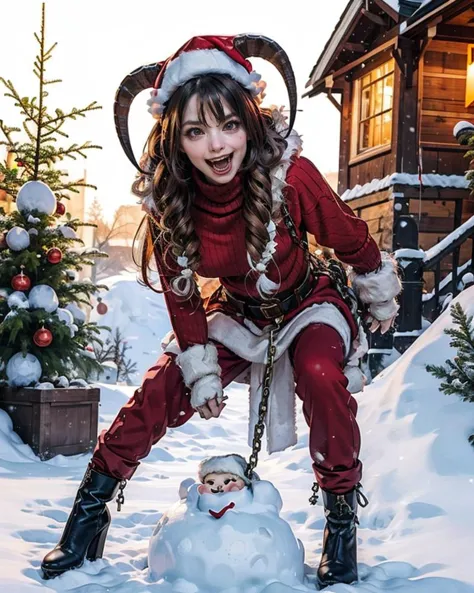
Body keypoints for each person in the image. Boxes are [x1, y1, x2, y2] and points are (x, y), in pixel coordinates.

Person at [41, 34, 401, 587]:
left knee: (321, 375)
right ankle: (89, 513)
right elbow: (182, 298)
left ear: (250, 122)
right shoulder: (169, 203)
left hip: (307, 303)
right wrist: (200, 368)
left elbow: (349, 236)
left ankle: (340, 524)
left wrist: (378, 291)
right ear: (175, 140)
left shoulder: (290, 174)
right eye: (195, 130)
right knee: (161, 388)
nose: (216, 144)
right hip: (236, 311)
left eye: (229, 124)